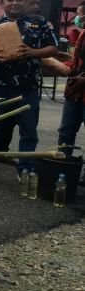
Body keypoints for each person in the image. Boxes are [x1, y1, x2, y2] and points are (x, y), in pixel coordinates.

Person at [0, 0, 58, 179]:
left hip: (27, 86)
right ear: (2, 3)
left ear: (25, 1)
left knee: (28, 129)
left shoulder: (39, 23)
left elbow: (53, 49)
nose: (15, 3)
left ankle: (25, 168)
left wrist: (33, 52)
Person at [57, 22, 85, 187]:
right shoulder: (82, 34)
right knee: (66, 133)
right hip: (74, 94)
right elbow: (77, 63)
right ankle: (61, 168)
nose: (79, 17)